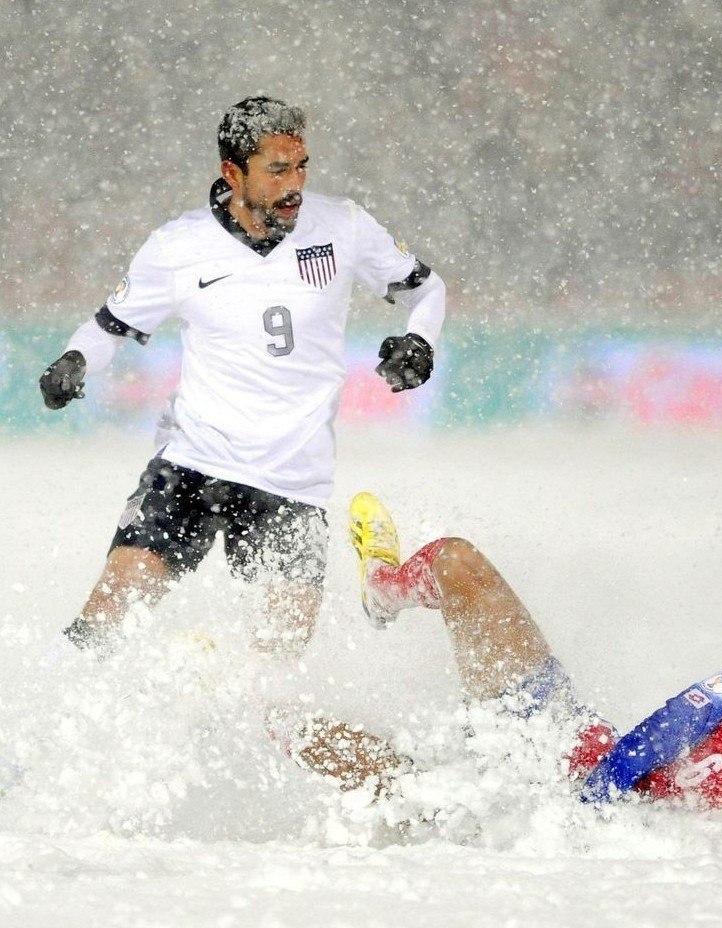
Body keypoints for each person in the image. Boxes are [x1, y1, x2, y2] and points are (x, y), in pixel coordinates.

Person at [38, 96, 445, 658]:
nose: (295, 183)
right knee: (98, 629)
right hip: (191, 466)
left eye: (301, 165)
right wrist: (75, 359)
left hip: (293, 483)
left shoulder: (344, 225)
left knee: (274, 674)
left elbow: (427, 289)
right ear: (233, 172)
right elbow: (109, 329)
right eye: (278, 170)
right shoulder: (178, 246)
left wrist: (420, 340)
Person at [286, 492, 722, 807]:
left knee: (360, 767)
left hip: (541, 810)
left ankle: (245, 699)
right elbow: (666, 731)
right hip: (560, 742)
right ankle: (383, 588)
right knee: (457, 560)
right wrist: (593, 800)